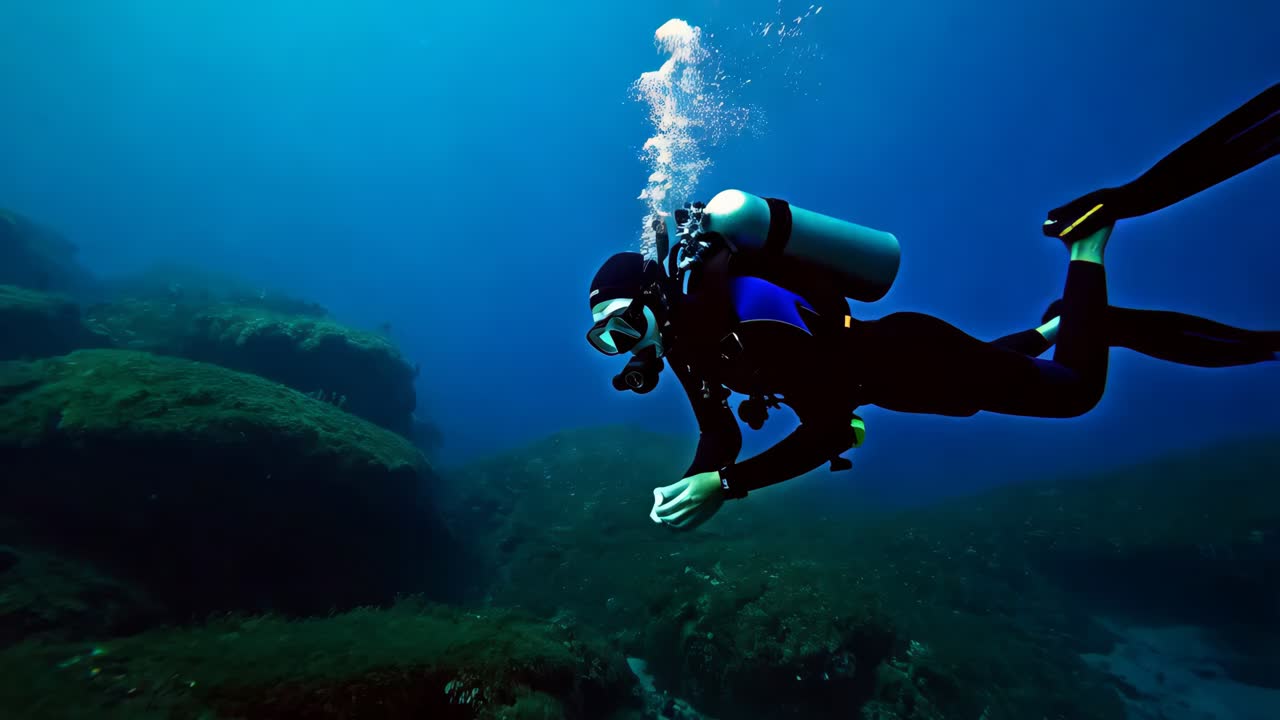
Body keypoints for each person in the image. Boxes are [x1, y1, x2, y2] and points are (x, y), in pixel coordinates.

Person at [586, 82, 1279, 530]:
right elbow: (721, 433)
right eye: (607, 340)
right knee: (991, 368)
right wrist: (696, 481)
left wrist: (727, 485)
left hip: (910, 359)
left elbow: (827, 429)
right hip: (889, 374)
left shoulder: (744, 312)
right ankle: (1058, 324)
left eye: (623, 324)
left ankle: (1086, 245)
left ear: (653, 297)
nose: (624, 345)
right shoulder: (685, 337)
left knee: (1074, 394)